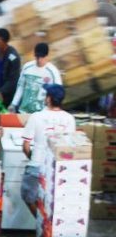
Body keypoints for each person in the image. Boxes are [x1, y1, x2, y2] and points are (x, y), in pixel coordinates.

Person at [21, 84, 76, 216]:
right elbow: (70, 146)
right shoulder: (69, 119)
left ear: (49, 99)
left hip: (37, 165)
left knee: (28, 197)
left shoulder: (36, 117)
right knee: (52, 201)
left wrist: (32, 158)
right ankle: (46, 223)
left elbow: (25, 146)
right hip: (58, 168)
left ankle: (41, 221)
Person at [10, 43, 62, 114]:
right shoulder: (27, 67)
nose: (39, 59)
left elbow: (58, 94)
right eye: (37, 57)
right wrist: (13, 104)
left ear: (47, 56)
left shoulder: (53, 71)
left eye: (42, 57)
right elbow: (20, 87)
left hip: (43, 113)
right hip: (24, 111)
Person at [0, 28, 21, 108]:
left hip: (8, 95)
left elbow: (13, 81)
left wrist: (0, 92)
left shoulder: (13, 57)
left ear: (5, 42)